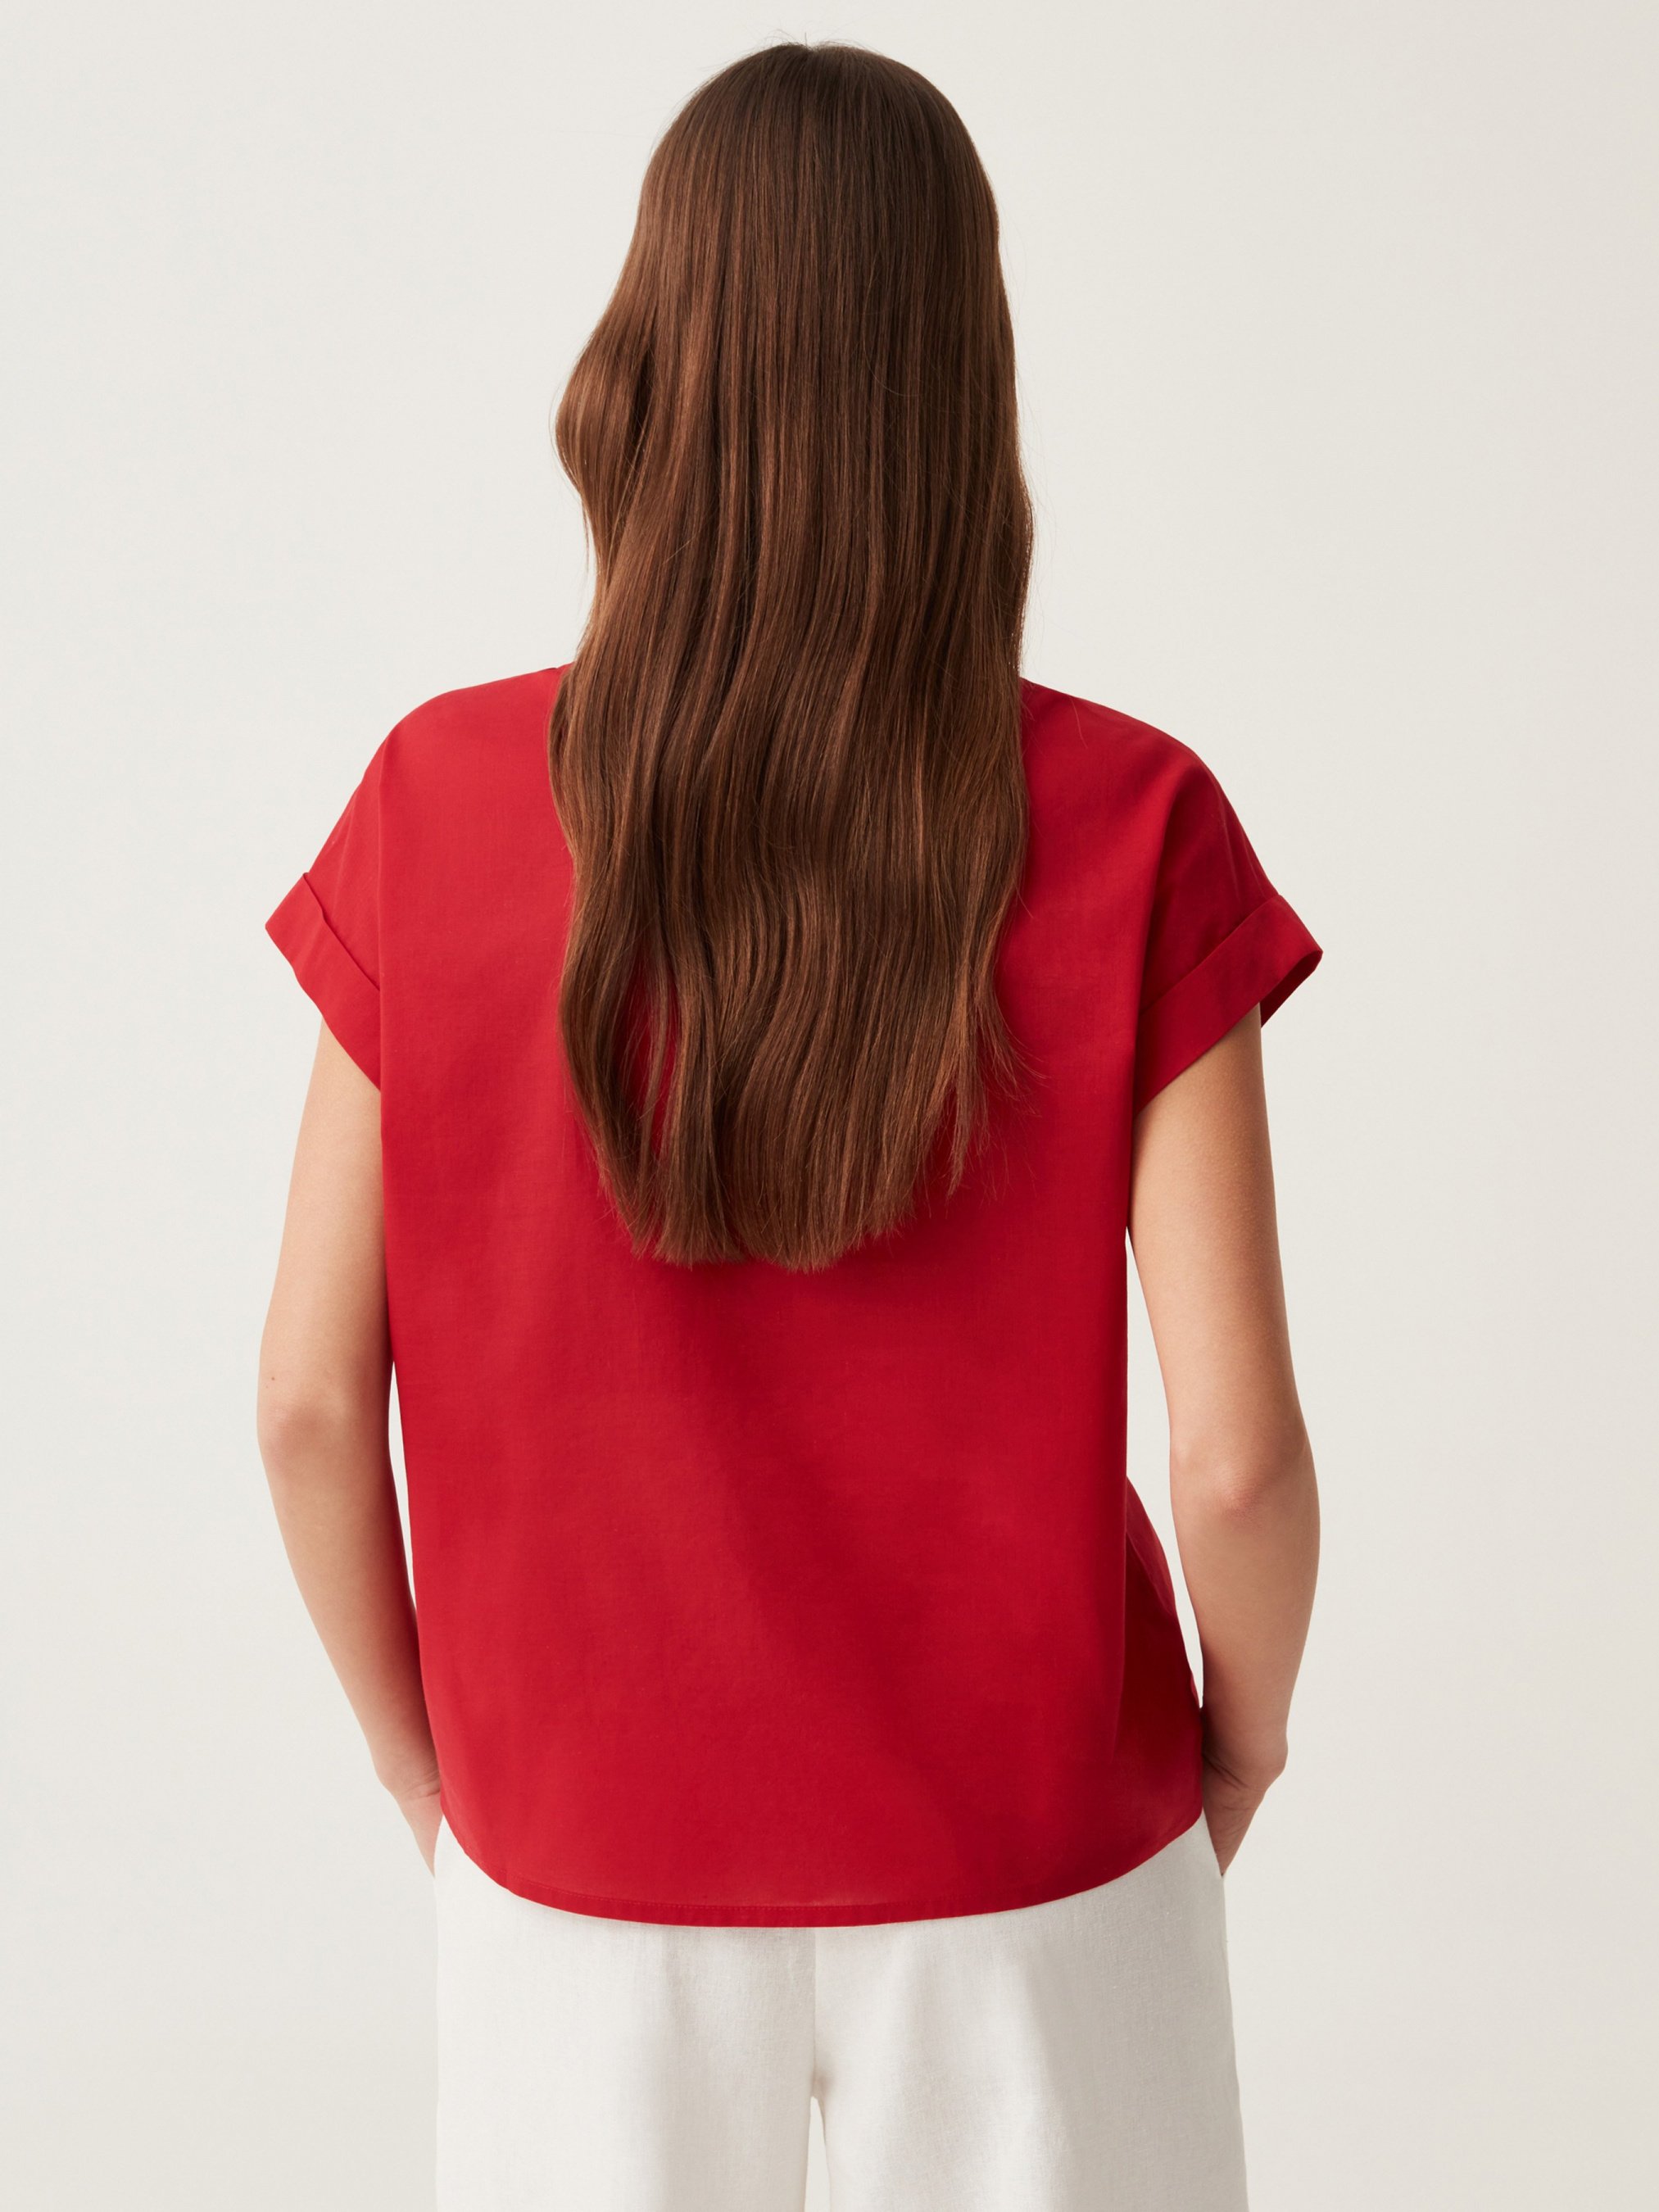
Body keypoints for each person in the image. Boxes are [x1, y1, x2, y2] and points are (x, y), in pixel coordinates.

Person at [257, 39, 1321, 2212]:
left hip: (576, 1865)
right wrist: (1245, 1738)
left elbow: (301, 1401)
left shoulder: (435, 808)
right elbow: (1235, 1456)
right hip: (1037, 1860)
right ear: (962, 381)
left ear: (647, 361)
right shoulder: (1131, 820)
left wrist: (424, 1768)